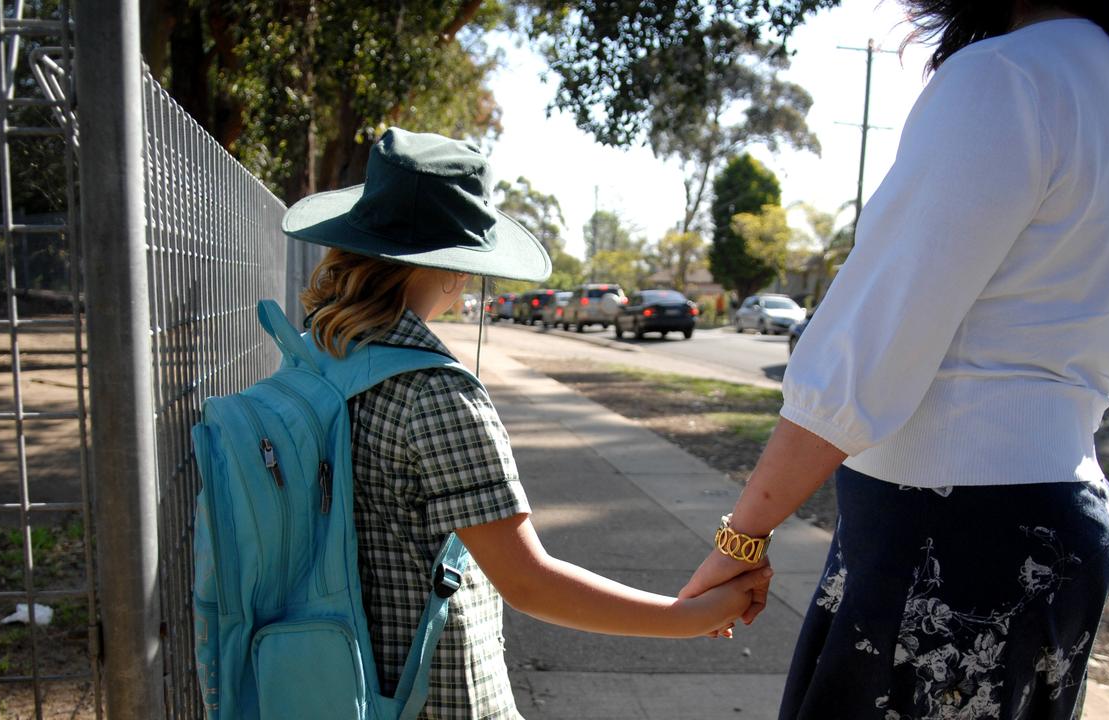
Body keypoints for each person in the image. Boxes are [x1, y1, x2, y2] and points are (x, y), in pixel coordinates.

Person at [679, 1, 1109, 718]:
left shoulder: (1005, 76)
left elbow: (873, 337)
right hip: (1054, 523)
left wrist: (741, 533)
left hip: (954, 532)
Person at [282, 128, 769, 718]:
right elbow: (530, 583)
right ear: (455, 269)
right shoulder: (435, 395)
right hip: (433, 698)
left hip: (328, 684)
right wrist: (686, 617)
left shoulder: (314, 358)